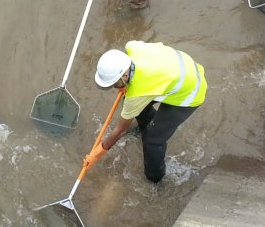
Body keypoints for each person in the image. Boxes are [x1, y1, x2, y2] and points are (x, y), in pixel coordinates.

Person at [83, 40, 207, 183]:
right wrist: (124, 87)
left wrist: (96, 154)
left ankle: (155, 178)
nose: (115, 88)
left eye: (115, 83)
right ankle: (146, 127)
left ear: (124, 75)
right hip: (183, 70)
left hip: (190, 92)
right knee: (129, 101)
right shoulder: (132, 47)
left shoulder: (138, 93)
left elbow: (121, 130)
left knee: (152, 140)